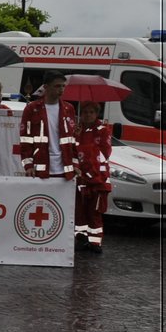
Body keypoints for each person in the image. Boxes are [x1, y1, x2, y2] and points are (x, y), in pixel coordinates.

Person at [18, 72, 77, 180]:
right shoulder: (32, 109)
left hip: (65, 170)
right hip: (40, 169)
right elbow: (25, 140)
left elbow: (73, 140)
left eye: (63, 86)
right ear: (46, 87)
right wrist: (28, 165)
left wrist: (76, 164)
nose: (61, 89)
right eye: (57, 86)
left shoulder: (69, 109)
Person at [75, 101, 112, 254]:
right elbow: (71, 150)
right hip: (80, 178)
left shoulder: (103, 130)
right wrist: (75, 137)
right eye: (85, 112)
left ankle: (95, 242)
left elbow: (103, 152)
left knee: (94, 212)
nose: (88, 115)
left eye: (91, 112)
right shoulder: (77, 130)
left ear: (96, 114)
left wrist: (82, 150)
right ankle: (81, 239)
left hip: (98, 179)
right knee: (79, 211)